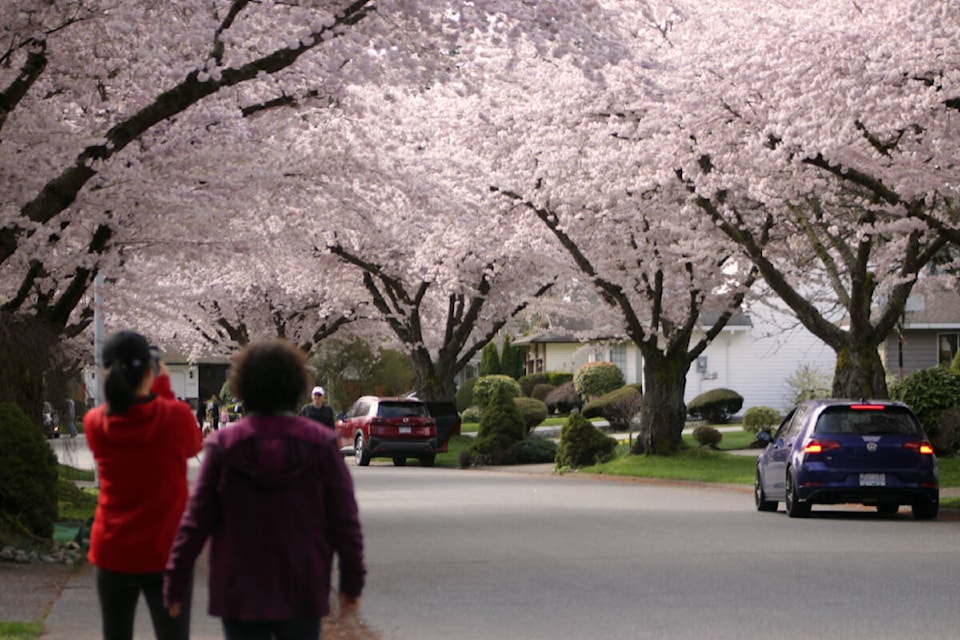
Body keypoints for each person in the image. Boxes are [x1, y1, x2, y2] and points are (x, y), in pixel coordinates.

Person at [164, 339, 365, 640]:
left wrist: (176, 579)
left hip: (239, 586)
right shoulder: (321, 445)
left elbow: (197, 520)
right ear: (296, 386)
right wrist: (351, 580)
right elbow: (344, 519)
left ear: (243, 387)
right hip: (302, 584)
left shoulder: (223, 446)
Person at [84, 331, 203, 640]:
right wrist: (162, 386)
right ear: (149, 370)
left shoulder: (95, 422)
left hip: (113, 548)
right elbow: (193, 446)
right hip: (167, 551)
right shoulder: (175, 416)